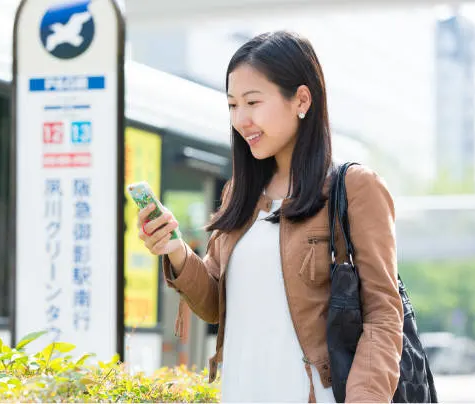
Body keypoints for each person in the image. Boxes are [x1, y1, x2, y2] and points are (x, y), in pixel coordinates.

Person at [137, 31, 403, 403]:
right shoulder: (240, 194)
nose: (240, 119)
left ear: (301, 100)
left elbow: (384, 315)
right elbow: (215, 304)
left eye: (252, 102)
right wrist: (175, 249)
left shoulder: (354, 187)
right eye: (232, 105)